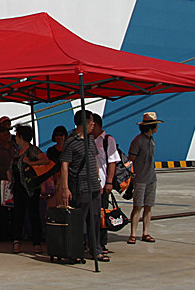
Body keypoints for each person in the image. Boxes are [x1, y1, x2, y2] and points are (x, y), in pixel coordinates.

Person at [57, 110, 107, 262]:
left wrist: (98, 179)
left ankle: (96, 249)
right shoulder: (71, 142)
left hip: (94, 185)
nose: (93, 124)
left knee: (95, 218)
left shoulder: (90, 139)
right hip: (81, 186)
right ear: (84, 122)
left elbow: (94, 159)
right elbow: (64, 165)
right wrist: (65, 188)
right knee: (79, 221)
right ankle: (76, 251)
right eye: (91, 121)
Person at [10, 124, 49, 254]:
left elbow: (45, 160)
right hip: (18, 186)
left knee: (33, 214)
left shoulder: (32, 150)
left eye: (17, 135)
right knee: (18, 214)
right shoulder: (17, 151)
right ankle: (16, 241)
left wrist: (31, 163)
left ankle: (37, 242)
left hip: (30, 187)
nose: (15, 138)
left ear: (22, 137)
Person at [127, 112, 162, 244]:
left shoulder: (151, 140)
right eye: (156, 125)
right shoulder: (138, 141)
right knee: (138, 206)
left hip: (151, 178)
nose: (157, 127)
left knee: (148, 206)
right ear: (151, 127)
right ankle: (133, 234)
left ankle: (145, 232)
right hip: (140, 178)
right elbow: (131, 159)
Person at [91, 113, 120, 255]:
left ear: (95, 124)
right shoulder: (88, 140)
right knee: (91, 214)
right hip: (90, 184)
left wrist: (109, 182)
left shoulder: (108, 140)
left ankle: (102, 243)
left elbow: (112, 162)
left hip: (102, 183)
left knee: (102, 214)